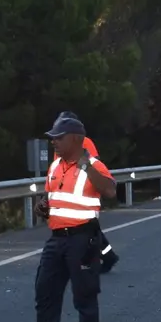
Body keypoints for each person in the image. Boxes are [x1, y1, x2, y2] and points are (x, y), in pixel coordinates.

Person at [16, 117, 116, 322]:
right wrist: (42, 208)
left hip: (83, 239)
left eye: (58, 138)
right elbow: (50, 198)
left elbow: (110, 191)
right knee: (45, 291)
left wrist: (86, 167)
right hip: (57, 238)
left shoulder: (93, 165)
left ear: (74, 138)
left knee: (84, 294)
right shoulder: (55, 166)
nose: (54, 142)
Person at [51, 111, 119, 274]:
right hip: (69, 196)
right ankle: (107, 256)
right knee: (89, 231)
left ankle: (102, 257)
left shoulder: (84, 142)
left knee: (88, 231)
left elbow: (93, 164)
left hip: (83, 194)